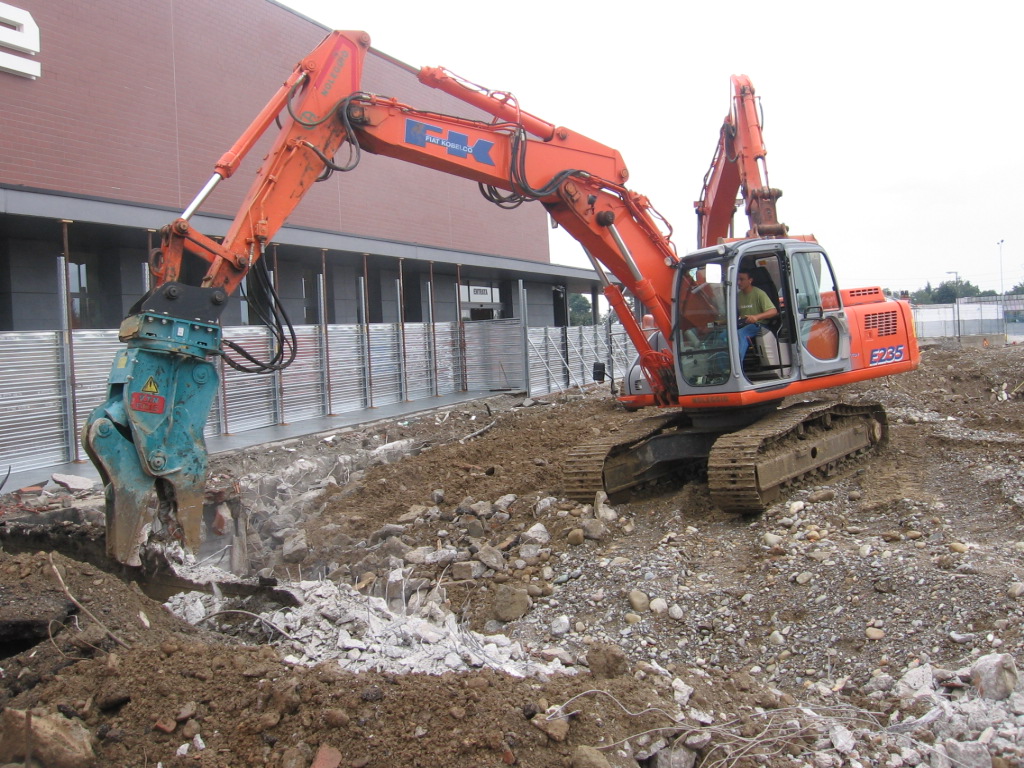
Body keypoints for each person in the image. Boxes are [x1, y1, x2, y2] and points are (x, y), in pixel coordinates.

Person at [736, 270, 779, 362]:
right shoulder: (737, 296)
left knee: (741, 334)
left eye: (742, 279)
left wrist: (756, 317)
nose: (738, 282)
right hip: (743, 324)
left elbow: (773, 311)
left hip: (759, 325)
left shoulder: (759, 293)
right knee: (722, 336)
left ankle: (737, 366)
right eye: (737, 280)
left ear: (750, 280)